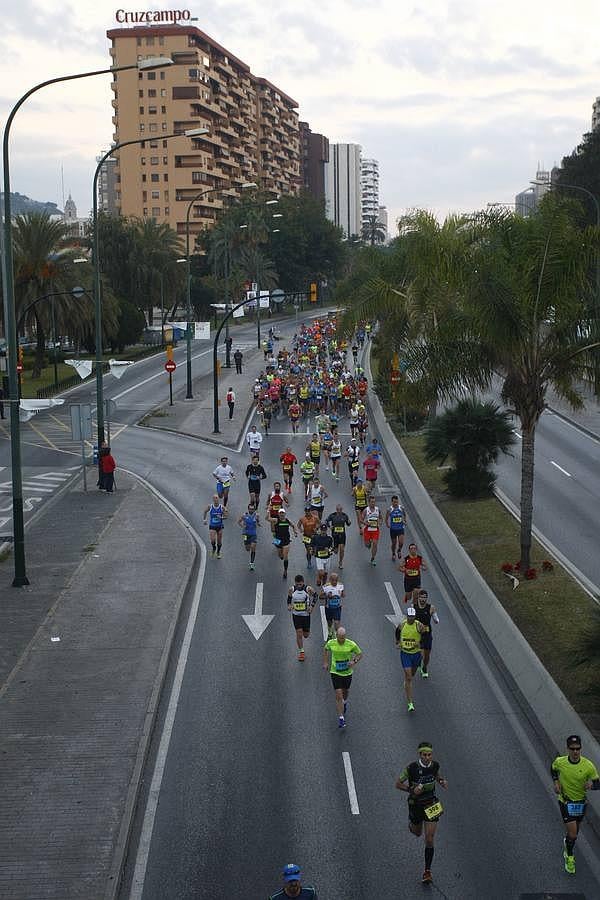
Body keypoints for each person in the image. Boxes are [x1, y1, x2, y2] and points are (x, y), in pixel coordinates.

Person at [395, 741, 448, 885]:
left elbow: (436, 775)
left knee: (429, 839)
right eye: (424, 755)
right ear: (420, 754)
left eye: (429, 755)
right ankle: (412, 825)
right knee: (417, 833)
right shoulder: (411, 768)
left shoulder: (435, 765)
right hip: (416, 805)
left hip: (431, 803)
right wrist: (411, 790)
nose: (427, 757)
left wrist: (442, 781)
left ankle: (427, 871)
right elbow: (398, 784)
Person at [551, 734, 600, 874]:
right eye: (572, 749)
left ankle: (568, 843)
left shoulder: (588, 766)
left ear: (581, 749)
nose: (575, 751)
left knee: (575, 832)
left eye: (578, 748)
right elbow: (553, 769)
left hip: (580, 803)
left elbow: (598, 782)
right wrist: (556, 782)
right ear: (567, 749)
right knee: (573, 833)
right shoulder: (560, 762)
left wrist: (592, 785)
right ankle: (570, 857)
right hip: (565, 801)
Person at [323, 627, 362, 729]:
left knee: (345, 692)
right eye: (340, 638)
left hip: (347, 673)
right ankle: (341, 718)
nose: (341, 640)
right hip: (335, 672)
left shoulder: (351, 644)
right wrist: (326, 662)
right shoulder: (332, 643)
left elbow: (360, 654)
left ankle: (345, 702)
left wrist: (354, 661)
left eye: (343, 638)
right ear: (337, 636)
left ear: (345, 637)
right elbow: (326, 649)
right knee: (338, 695)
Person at [395, 607, 427, 711]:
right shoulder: (403, 624)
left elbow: (425, 636)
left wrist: (420, 643)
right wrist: (398, 642)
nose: (411, 619)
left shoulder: (418, 625)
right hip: (405, 654)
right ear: (407, 616)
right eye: (409, 617)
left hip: (416, 654)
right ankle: (410, 703)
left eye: (413, 617)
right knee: (408, 677)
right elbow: (397, 631)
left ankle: (408, 680)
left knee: (412, 674)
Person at [287, 574, 317, 661]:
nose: (299, 586)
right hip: (296, 615)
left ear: (303, 583)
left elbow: (316, 596)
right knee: (299, 633)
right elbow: (288, 599)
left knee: (306, 635)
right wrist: (289, 606)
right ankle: (301, 652)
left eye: (300, 584)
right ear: (295, 583)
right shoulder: (291, 590)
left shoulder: (308, 589)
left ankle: (305, 635)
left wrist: (312, 606)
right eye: (297, 584)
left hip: (306, 615)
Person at [414, 589, 439, 678]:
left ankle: (424, 667)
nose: (423, 599)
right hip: (418, 634)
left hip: (427, 634)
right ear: (418, 598)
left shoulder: (431, 607)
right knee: (420, 653)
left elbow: (436, 619)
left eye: (425, 597)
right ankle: (419, 663)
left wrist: (435, 619)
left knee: (427, 655)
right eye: (421, 597)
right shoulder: (414, 607)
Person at [271, 508, 297, 579]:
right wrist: (268, 511)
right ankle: (281, 554)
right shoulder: (276, 520)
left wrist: (295, 532)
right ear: (278, 514)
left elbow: (293, 526)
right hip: (278, 539)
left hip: (286, 540)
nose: (282, 514)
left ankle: (285, 571)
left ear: (285, 514)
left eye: (283, 513)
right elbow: (267, 519)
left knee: (285, 556)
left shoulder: (287, 520)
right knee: (280, 555)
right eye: (280, 513)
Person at [325, 504, 351, 569]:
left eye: (340, 509)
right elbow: (326, 521)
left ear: (342, 509)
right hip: (335, 535)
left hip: (342, 535)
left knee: (342, 549)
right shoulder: (332, 515)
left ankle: (340, 562)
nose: (339, 511)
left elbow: (348, 524)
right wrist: (329, 526)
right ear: (336, 509)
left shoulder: (345, 516)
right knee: (336, 551)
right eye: (338, 509)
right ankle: (333, 549)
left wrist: (349, 522)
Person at [320, 572, 344, 639]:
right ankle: (330, 631)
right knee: (329, 622)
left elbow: (343, 595)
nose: (334, 582)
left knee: (336, 623)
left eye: (336, 580)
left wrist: (342, 594)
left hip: (337, 608)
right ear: (330, 580)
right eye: (333, 580)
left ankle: (336, 637)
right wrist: (327, 596)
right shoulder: (326, 587)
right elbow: (320, 597)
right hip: (329, 608)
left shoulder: (341, 585)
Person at [238, 503, 260, 570]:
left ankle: (252, 563)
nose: (251, 510)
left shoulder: (256, 515)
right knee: (247, 549)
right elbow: (238, 522)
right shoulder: (244, 515)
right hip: (245, 534)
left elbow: (257, 522)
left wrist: (258, 522)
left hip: (253, 534)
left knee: (253, 547)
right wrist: (242, 526)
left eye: (252, 509)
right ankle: (248, 544)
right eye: (250, 509)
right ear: (248, 509)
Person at [311, 522, 333, 587]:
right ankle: (319, 577)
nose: (323, 531)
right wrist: (311, 550)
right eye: (322, 530)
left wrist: (329, 550)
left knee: (325, 574)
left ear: (326, 530)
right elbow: (312, 545)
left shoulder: (329, 539)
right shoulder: (316, 537)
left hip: (327, 558)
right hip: (319, 557)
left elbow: (332, 548)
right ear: (320, 530)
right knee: (321, 572)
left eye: (325, 530)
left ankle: (324, 586)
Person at [203, 494, 226, 558]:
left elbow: (226, 516)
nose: (216, 499)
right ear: (213, 500)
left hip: (220, 526)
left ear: (218, 499)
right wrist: (204, 520)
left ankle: (218, 552)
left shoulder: (222, 507)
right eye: (214, 498)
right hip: (212, 526)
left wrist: (221, 517)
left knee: (219, 541)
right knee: (212, 540)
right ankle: (214, 548)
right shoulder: (210, 507)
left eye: (217, 498)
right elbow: (205, 511)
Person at [361, 496, 382, 566]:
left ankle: (373, 558)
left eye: (374, 502)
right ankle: (369, 543)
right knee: (367, 545)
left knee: (375, 544)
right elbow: (361, 520)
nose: (373, 503)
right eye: (372, 502)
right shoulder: (366, 510)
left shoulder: (377, 509)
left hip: (375, 530)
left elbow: (381, 518)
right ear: (369, 502)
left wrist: (380, 523)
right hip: (368, 530)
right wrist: (366, 523)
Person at [386, 495, 407, 561]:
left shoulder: (401, 508)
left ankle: (399, 550)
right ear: (392, 502)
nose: (395, 503)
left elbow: (404, 515)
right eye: (394, 502)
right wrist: (387, 525)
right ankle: (393, 553)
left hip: (400, 528)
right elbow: (386, 518)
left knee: (401, 542)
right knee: (394, 544)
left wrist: (404, 521)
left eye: (396, 502)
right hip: (393, 529)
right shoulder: (389, 510)